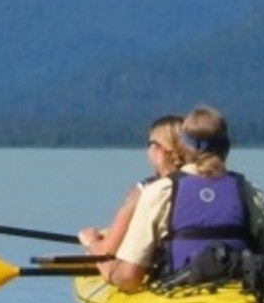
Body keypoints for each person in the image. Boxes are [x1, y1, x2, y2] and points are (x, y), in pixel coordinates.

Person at [97, 105, 264, 293]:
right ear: (227, 147)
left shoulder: (160, 192)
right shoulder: (251, 193)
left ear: (184, 146)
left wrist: (107, 270)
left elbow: (129, 278)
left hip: (180, 292)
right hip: (242, 293)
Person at [77, 114, 185, 279]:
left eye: (150, 144)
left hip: (161, 274)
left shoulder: (145, 190)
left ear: (161, 150)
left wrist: (91, 242)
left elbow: (106, 251)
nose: (147, 150)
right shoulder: (208, 186)